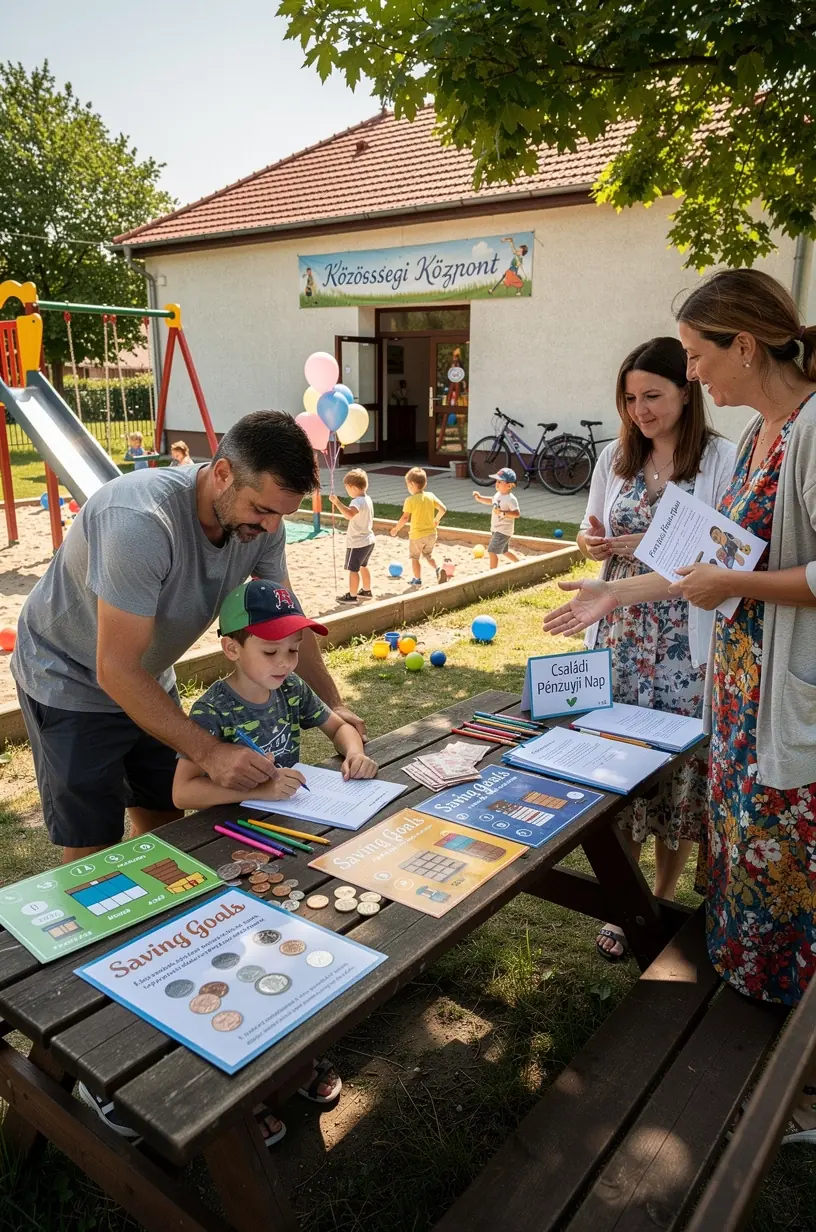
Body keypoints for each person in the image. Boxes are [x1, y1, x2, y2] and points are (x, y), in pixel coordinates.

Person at [543, 269, 816, 1141]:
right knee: (744, 860)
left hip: (777, 695)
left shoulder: (805, 431)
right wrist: (617, 593)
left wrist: (730, 580)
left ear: (745, 344)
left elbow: (748, 569)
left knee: (783, 869)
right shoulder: (772, 431)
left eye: (697, 358)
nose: (693, 377)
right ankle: (754, 1040)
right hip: (739, 686)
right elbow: (713, 556)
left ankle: (790, 1077)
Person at [12, 411, 367, 867]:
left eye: (283, 514)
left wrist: (333, 706)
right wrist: (209, 751)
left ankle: (160, 924)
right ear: (222, 474)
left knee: (166, 821)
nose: (272, 529)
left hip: (147, 677)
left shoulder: (263, 526)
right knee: (92, 842)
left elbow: (291, 620)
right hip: (70, 677)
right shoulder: (140, 521)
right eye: (262, 510)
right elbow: (115, 668)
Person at [578, 337, 735, 962]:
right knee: (616, 768)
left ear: (686, 390)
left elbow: (725, 554)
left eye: (653, 395)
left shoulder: (721, 459)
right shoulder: (615, 457)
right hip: (619, 633)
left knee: (674, 774)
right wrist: (592, 544)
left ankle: (660, 894)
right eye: (630, 398)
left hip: (682, 641)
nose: (640, 410)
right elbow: (595, 530)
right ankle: (627, 892)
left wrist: (646, 542)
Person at [174, 580, 377, 808]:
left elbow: (340, 727)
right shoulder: (212, 710)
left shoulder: (291, 687)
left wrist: (354, 754)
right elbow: (182, 793)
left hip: (285, 812)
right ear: (232, 649)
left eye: (294, 649)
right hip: (234, 827)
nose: (285, 662)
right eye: (270, 651)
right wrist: (261, 791)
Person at [389, 467, 447, 586]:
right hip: (431, 534)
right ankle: (438, 569)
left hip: (417, 535)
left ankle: (417, 579)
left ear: (412, 484)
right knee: (428, 555)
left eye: (407, 485)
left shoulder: (410, 500)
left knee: (415, 558)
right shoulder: (430, 496)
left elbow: (405, 518)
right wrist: (436, 520)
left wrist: (396, 529)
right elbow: (443, 509)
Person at [328, 468, 375, 604]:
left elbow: (349, 514)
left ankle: (352, 596)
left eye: (347, 488)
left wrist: (337, 503)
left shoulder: (357, 502)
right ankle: (366, 590)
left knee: (353, 569)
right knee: (363, 566)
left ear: (353, 487)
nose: (347, 491)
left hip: (357, 542)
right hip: (369, 540)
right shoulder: (367, 499)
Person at [473, 466, 521, 568]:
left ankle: (492, 572)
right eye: (496, 481)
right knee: (504, 550)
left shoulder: (511, 499)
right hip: (496, 527)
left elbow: (517, 514)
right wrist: (480, 498)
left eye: (500, 482)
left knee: (492, 550)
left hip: (503, 530)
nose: (497, 484)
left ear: (509, 486)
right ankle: (520, 563)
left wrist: (503, 512)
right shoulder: (498, 494)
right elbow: (492, 500)